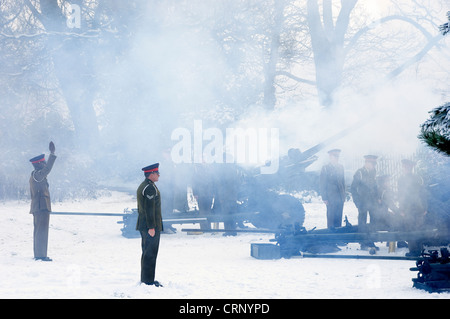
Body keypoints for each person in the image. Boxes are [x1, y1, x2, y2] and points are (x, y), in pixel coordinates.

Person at [136, 163, 163, 287]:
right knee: (150, 253)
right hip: (149, 225)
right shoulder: (149, 188)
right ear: (151, 174)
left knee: (147, 252)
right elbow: (149, 209)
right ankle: (148, 281)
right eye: (156, 173)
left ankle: (147, 279)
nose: (158, 175)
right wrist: (152, 227)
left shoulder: (147, 185)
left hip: (145, 224)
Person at [29, 141, 57, 261]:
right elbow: (47, 170)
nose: (45, 164)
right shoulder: (37, 175)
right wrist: (52, 154)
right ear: (39, 164)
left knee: (40, 231)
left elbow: (45, 171)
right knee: (41, 232)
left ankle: (39, 254)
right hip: (41, 207)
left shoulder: (36, 175)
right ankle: (41, 255)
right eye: (44, 162)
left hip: (40, 207)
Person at [398, 159, 427, 256]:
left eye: (406, 167)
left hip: (410, 208)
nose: (404, 169)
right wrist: (424, 207)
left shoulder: (404, 179)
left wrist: (401, 209)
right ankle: (419, 249)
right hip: (416, 207)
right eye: (404, 167)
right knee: (417, 228)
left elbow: (401, 195)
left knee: (411, 229)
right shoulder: (417, 178)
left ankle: (414, 251)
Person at [351, 155, 378, 250]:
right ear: (367, 163)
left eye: (375, 163)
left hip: (372, 202)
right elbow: (353, 189)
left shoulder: (373, 172)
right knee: (362, 223)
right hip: (362, 201)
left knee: (373, 222)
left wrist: (377, 198)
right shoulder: (360, 172)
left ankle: (371, 242)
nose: (374, 165)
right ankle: (363, 243)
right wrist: (357, 202)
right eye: (372, 163)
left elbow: (375, 186)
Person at [319, 149, 346, 229]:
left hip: (340, 197)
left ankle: (338, 237)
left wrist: (343, 195)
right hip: (330, 197)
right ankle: (331, 238)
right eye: (335, 156)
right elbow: (322, 184)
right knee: (331, 218)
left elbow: (343, 182)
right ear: (330, 157)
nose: (337, 158)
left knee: (339, 217)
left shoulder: (341, 167)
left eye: (338, 156)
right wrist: (324, 198)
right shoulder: (325, 168)